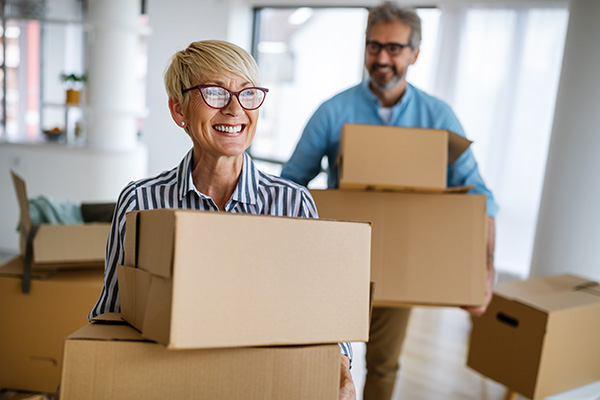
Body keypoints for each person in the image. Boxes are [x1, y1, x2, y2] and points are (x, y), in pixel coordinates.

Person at [88, 40, 356, 399]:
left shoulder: (293, 203)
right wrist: (84, 370)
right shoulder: (141, 201)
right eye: (215, 93)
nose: (234, 109)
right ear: (178, 109)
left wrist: (341, 371)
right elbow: (113, 309)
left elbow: (323, 316)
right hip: (167, 384)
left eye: (248, 94)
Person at [280, 3, 499, 400]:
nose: (382, 58)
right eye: (373, 46)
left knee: (384, 365)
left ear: (415, 53)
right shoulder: (334, 111)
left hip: (400, 263)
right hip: (338, 261)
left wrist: (484, 273)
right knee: (320, 359)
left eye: (394, 48)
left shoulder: (436, 116)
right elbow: (291, 184)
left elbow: (480, 195)